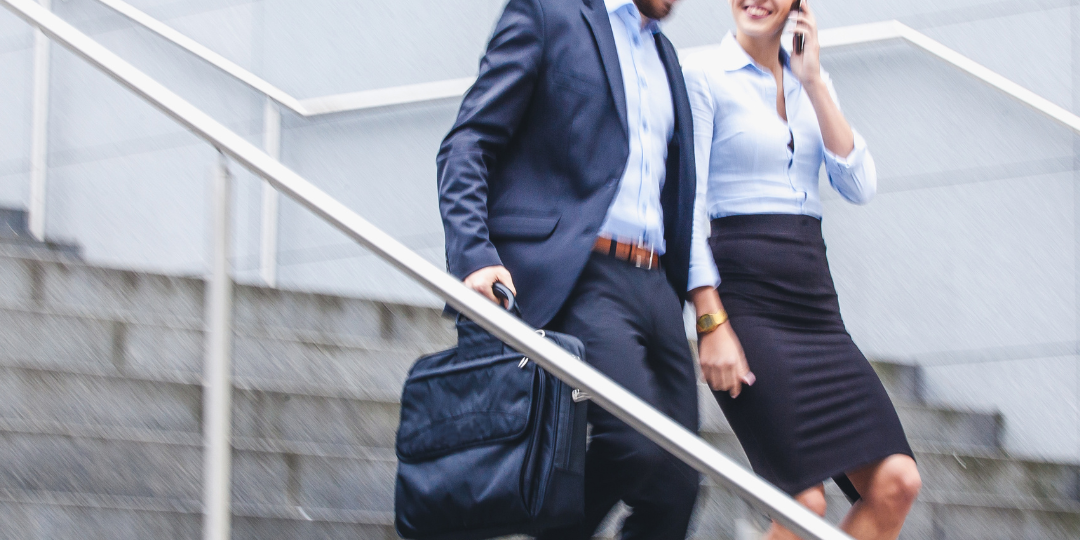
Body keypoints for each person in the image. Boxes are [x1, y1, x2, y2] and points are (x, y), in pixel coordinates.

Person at [437, 0, 748, 537]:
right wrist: (475, 256)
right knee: (635, 445)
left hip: (655, 284)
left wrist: (701, 305)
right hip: (582, 275)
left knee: (676, 488)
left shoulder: (665, 57)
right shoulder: (548, 14)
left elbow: (679, 194)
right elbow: (468, 143)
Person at [681, 1, 922, 539]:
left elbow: (859, 185)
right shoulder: (703, 74)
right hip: (745, 298)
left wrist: (812, 80)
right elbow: (686, 206)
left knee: (897, 481)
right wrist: (709, 320)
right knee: (802, 503)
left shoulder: (813, 79)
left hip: (814, 302)